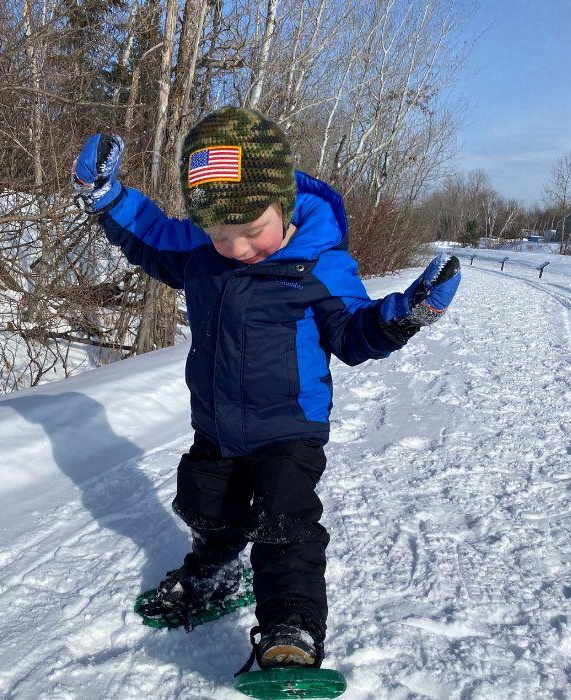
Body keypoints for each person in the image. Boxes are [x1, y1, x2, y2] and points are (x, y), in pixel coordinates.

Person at [72, 108, 460, 671]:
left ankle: (292, 627)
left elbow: (354, 336)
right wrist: (106, 195)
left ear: (282, 205)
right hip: (217, 421)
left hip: (289, 427)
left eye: (252, 233)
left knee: (285, 525)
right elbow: (151, 236)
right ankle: (218, 568)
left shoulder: (319, 264)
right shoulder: (203, 252)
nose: (237, 249)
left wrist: (407, 314)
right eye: (220, 236)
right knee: (210, 507)